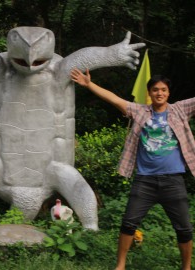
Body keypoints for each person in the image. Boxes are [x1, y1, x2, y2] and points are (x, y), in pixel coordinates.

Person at [71, 68, 193, 270]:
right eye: (155, 90)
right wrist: (88, 84)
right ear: (150, 93)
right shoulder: (139, 112)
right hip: (145, 180)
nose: (159, 93)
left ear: (168, 93)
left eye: (163, 90)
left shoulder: (180, 110)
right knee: (128, 223)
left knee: (184, 228)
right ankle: (120, 265)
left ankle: (186, 267)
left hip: (173, 180)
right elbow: (114, 99)